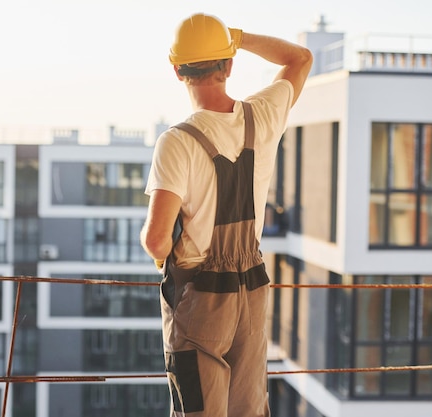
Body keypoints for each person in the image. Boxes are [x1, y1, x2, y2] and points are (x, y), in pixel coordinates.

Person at [140, 13, 312, 417]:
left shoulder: (176, 142)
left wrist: (163, 257)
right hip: (251, 289)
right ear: (229, 65)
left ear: (177, 69)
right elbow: (300, 58)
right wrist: (237, 37)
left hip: (201, 296)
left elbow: (155, 240)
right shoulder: (264, 115)